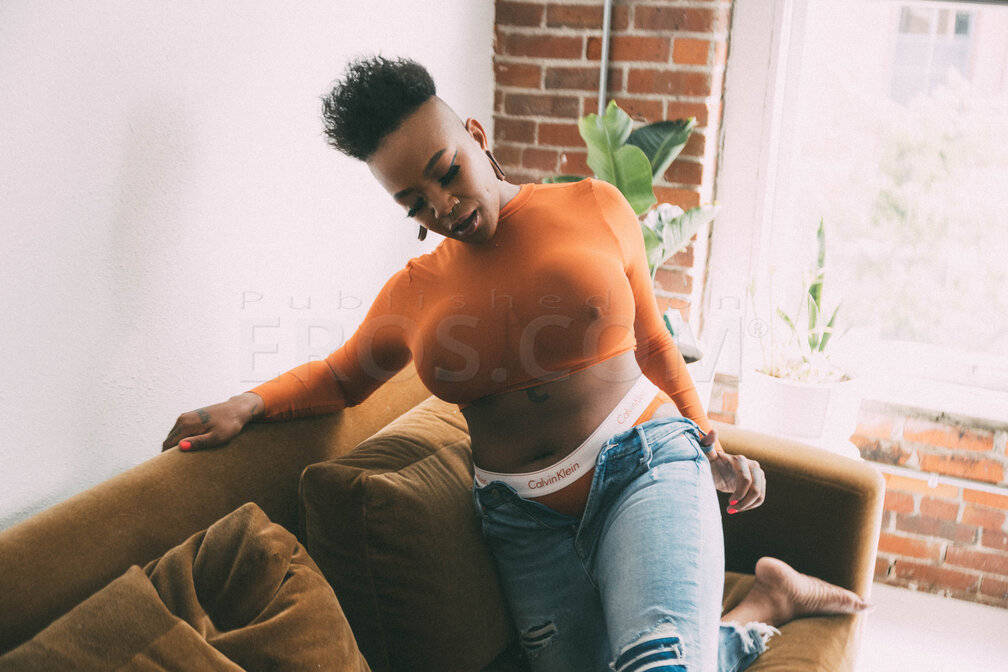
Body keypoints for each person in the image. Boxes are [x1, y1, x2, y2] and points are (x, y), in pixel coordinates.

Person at [163, 54, 871, 672]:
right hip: (524, 521)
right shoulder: (412, 292)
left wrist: (709, 445)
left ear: (476, 136)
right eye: (414, 203)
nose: (443, 206)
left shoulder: (595, 206)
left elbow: (654, 342)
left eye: (448, 173)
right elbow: (342, 378)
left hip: (646, 464)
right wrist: (246, 404)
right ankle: (766, 604)